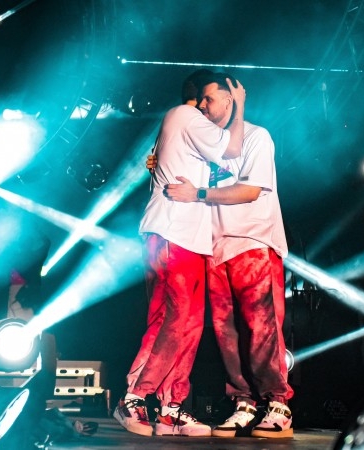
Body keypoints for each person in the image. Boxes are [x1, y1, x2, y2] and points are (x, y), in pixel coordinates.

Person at [113, 68, 246, 438]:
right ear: (199, 96)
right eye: (209, 97)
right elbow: (232, 149)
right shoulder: (186, 115)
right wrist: (239, 107)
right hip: (173, 233)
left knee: (187, 323)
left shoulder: (191, 128)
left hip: (187, 238)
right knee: (177, 319)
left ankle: (171, 406)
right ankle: (134, 397)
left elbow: (226, 169)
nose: (210, 106)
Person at [162, 72, 294, 438]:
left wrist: (199, 194)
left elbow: (250, 190)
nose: (202, 106)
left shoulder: (256, 136)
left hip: (252, 241)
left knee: (262, 327)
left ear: (228, 100)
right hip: (215, 249)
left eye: (208, 99)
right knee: (227, 333)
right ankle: (244, 402)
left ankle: (278, 404)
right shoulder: (208, 145)